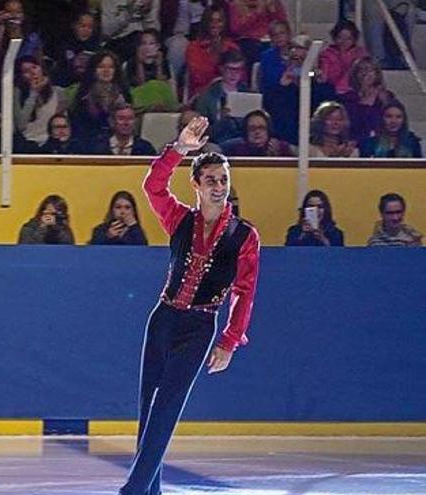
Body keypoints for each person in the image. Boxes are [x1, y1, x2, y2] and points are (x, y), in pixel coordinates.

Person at [117, 115, 260, 495]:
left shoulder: (244, 235)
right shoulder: (180, 219)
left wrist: (230, 340)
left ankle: (132, 490)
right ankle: (151, 491)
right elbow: (152, 185)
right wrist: (179, 149)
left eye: (224, 180)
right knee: (149, 412)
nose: (219, 187)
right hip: (162, 319)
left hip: (199, 327)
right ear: (195, 184)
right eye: (211, 180)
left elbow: (245, 291)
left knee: (167, 409)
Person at [184, 5, 239, 98]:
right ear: (205, 23)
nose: (215, 25)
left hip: (228, 94)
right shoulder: (193, 47)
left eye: (219, 21)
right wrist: (214, 55)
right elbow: (199, 78)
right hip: (202, 94)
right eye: (211, 21)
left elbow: (239, 76)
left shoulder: (232, 47)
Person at [318, 19, 368, 96]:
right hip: (332, 92)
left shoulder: (361, 54)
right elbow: (324, 78)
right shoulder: (326, 55)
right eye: (340, 37)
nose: (344, 42)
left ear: (354, 39)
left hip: (357, 92)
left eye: (348, 38)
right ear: (334, 38)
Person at [219, 109, 296, 157]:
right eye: (252, 128)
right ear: (246, 131)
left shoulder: (277, 145)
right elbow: (215, 149)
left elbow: (304, 153)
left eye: (261, 128)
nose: (257, 132)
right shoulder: (236, 145)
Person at [88, 103, 156, 156]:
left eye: (130, 119)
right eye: (121, 119)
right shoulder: (97, 147)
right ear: (112, 122)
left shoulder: (145, 148)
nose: (126, 123)